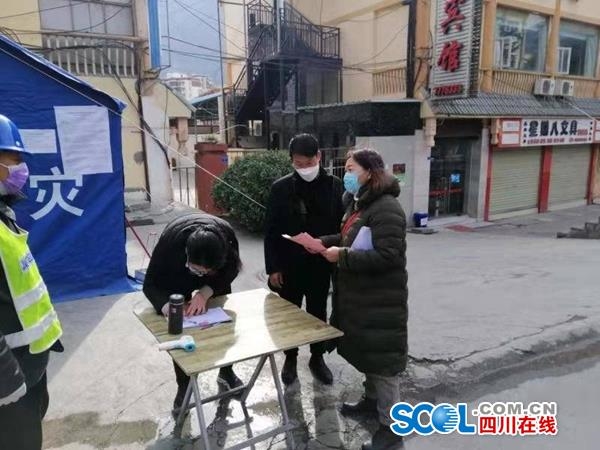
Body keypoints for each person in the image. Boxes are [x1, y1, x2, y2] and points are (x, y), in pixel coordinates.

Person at [320, 149, 407, 450]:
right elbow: (350, 239)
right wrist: (323, 243)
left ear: (369, 172)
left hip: (381, 299)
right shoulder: (359, 203)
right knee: (370, 353)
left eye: (350, 169)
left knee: (384, 366)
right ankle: (371, 402)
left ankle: (392, 429)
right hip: (362, 297)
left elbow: (387, 255)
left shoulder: (387, 208)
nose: (346, 174)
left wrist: (341, 256)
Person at [0, 114, 64, 450]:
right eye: (13, 160)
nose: (20, 169)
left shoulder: (3, 213)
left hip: (30, 365)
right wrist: (7, 381)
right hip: (9, 381)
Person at [264, 134, 344, 385]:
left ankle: (317, 358)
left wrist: (325, 242)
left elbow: (344, 228)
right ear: (291, 161)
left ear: (319, 156)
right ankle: (290, 357)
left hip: (321, 262)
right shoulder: (281, 188)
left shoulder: (335, 186)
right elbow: (271, 231)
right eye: (298, 164)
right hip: (289, 264)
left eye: (309, 162)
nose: (305, 168)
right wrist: (273, 268)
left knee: (318, 312)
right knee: (290, 314)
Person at [143, 213, 243, 415]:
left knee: (224, 325)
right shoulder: (170, 246)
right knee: (179, 330)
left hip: (216, 282)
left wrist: (205, 292)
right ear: (187, 255)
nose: (201, 275)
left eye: (207, 271)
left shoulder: (227, 241)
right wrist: (168, 308)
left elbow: (231, 270)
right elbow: (150, 284)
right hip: (177, 278)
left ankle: (226, 371)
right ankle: (184, 386)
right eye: (198, 270)